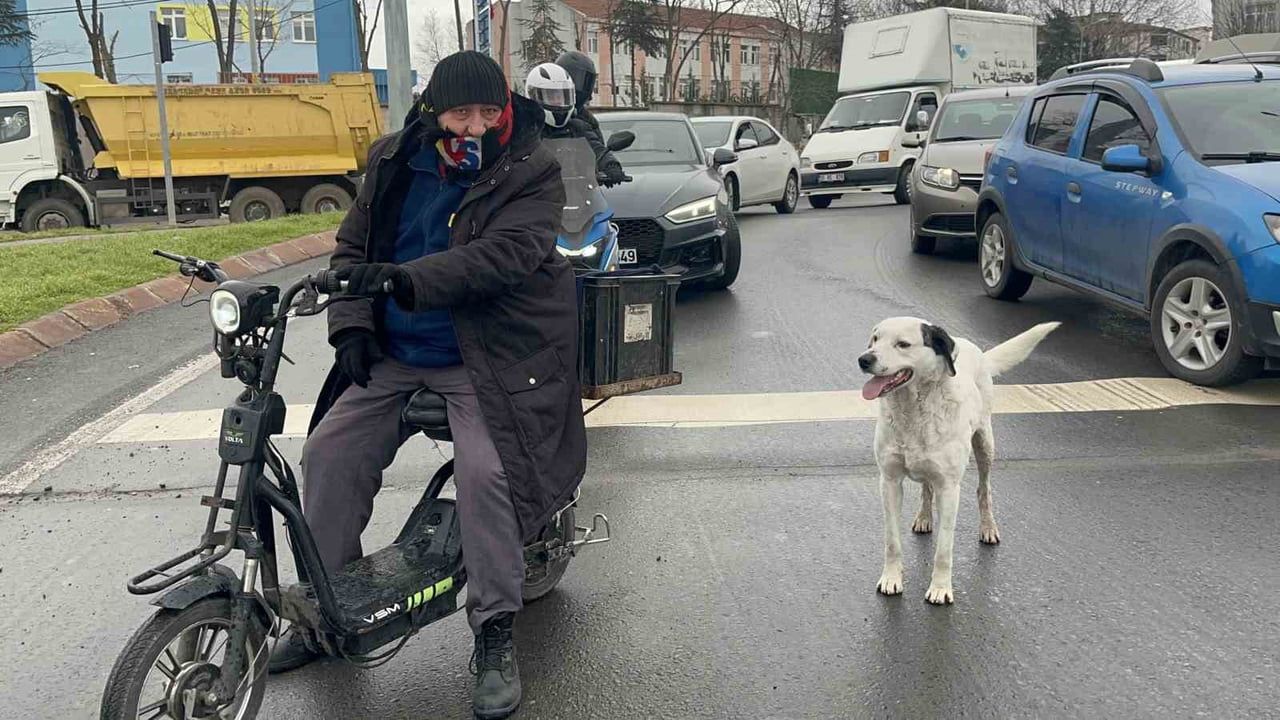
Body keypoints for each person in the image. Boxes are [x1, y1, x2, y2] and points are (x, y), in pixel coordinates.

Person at [267, 50, 586, 720]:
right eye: (461, 112)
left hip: (487, 355)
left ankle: (494, 631)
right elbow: (352, 250)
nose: (475, 126)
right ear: (432, 110)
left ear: (505, 109)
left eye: (488, 111)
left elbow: (504, 256)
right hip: (397, 352)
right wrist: (352, 326)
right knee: (328, 452)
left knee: (489, 474)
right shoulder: (392, 160)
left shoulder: (530, 168)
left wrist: (406, 280)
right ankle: (327, 613)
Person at [525, 62, 626, 186]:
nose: (557, 101)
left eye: (562, 96)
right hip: (539, 194)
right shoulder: (525, 131)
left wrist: (610, 165)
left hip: (580, 192)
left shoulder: (578, 127)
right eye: (551, 96)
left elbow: (596, 148)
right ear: (533, 97)